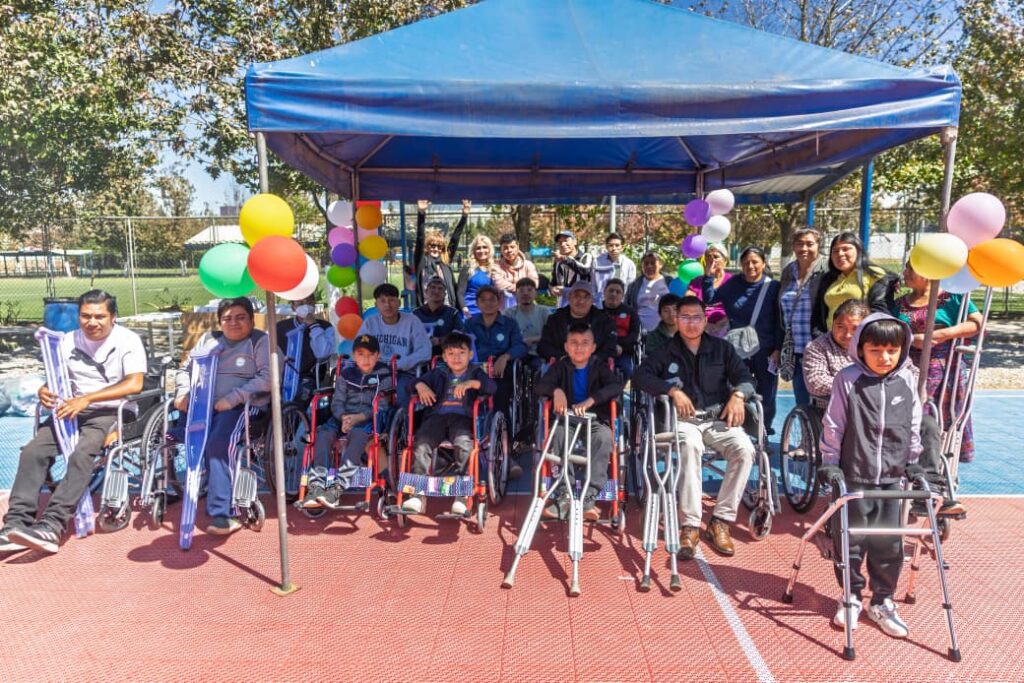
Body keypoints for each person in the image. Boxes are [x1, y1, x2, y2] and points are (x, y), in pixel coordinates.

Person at [1, 290, 147, 555]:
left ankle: (51, 525)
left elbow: (134, 384)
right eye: (86, 316)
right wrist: (45, 390)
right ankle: (16, 523)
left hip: (112, 411)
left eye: (100, 316)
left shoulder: (129, 340)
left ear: (113, 317)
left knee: (82, 453)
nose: (92, 322)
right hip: (71, 408)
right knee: (33, 451)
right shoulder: (68, 340)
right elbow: (57, 378)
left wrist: (87, 399)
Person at [819, 313, 922, 639]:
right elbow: (833, 424)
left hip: (892, 480)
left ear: (902, 350)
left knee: (889, 543)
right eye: (876, 350)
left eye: (892, 350)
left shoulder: (906, 381)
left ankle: (882, 601)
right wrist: (830, 462)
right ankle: (849, 596)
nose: (885, 357)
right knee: (850, 541)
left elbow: (914, 424)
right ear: (860, 348)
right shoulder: (847, 380)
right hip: (853, 477)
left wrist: (913, 461)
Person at [633, 296, 757, 559]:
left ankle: (720, 520)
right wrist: (671, 390)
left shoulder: (722, 349)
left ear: (705, 320)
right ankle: (689, 525)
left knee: (745, 449)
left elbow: (745, 378)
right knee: (689, 446)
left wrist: (739, 396)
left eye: (697, 317)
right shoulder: (665, 351)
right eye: (685, 317)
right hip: (683, 421)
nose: (691, 323)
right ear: (676, 320)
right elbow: (641, 376)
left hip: (717, 419)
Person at [172, 297, 271, 536]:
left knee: (218, 443)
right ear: (219, 321)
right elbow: (186, 369)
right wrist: (183, 392)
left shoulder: (260, 341)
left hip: (243, 407)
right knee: (175, 434)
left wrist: (233, 398)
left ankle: (222, 512)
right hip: (203, 405)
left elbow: (268, 378)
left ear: (251, 319)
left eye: (240, 317)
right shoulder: (209, 339)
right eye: (227, 318)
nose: (234, 323)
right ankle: (194, 482)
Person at [895, 261, 983, 463]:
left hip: (944, 368)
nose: (905, 272)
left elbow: (976, 322)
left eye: (910, 268)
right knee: (911, 415)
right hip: (909, 366)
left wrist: (942, 334)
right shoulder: (900, 303)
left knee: (938, 417)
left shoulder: (951, 298)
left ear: (926, 272)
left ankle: (939, 466)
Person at [534, 323, 623, 521]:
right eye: (574, 343)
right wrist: (556, 391)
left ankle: (589, 497)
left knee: (604, 439)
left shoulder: (599, 366)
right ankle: (564, 493)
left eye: (585, 343)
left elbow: (615, 387)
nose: (579, 347)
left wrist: (592, 400)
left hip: (595, 418)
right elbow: (540, 386)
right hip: (568, 419)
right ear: (566, 346)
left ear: (593, 347)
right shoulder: (560, 366)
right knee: (557, 436)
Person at [402, 332, 497, 516]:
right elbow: (410, 384)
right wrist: (420, 386)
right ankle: (417, 494)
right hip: (437, 417)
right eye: (451, 354)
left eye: (461, 353)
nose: (456, 358)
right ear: (444, 356)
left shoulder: (475, 372)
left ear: (470, 354)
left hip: (463, 418)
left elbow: (491, 387)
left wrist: (471, 383)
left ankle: (462, 495)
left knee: (464, 445)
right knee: (421, 443)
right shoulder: (439, 372)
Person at [300, 334, 392, 510]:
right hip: (341, 417)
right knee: (323, 434)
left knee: (358, 435)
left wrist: (358, 418)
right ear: (353, 355)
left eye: (370, 354)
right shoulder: (346, 374)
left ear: (378, 355)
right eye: (360, 354)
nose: (365, 359)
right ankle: (317, 486)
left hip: (368, 419)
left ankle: (338, 487)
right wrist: (342, 417)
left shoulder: (384, 373)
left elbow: (383, 405)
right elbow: (337, 402)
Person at [701, 246, 783, 432]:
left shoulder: (773, 287)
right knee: (735, 389)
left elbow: (779, 320)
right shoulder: (733, 284)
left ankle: (764, 431)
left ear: (763, 263)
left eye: (755, 262)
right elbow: (710, 299)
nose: (750, 266)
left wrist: (777, 348)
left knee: (767, 393)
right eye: (746, 262)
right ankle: (737, 428)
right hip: (738, 350)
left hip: (765, 350)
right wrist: (708, 276)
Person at [356, 284, 431, 408]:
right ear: (376, 305)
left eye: (391, 300)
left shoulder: (412, 321)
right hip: (375, 371)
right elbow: (360, 348)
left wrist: (401, 364)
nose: (387, 305)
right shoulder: (370, 323)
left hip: (404, 373)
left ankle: (401, 425)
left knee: (402, 395)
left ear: (399, 302)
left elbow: (425, 351)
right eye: (383, 301)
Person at [777, 228, 829, 406]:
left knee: (823, 404)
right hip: (796, 349)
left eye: (809, 244)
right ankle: (806, 435)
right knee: (803, 405)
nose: (804, 248)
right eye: (799, 244)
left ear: (818, 246)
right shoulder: (788, 271)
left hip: (821, 347)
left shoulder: (827, 268)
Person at [811, 232, 898, 336]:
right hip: (830, 341)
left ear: (858, 251)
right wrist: (819, 335)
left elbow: (880, 311)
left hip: (861, 339)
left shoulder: (875, 275)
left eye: (846, 249)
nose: (840, 254)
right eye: (835, 251)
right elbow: (818, 314)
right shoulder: (827, 279)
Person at [463, 285, 527, 418]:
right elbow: (460, 346)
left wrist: (505, 357)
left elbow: (520, 346)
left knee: (500, 395)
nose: (488, 303)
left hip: (499, 370)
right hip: (474, 368)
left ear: (499, 302)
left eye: (492, 299)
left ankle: (500, 428)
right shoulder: (469, 324)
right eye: (483, 300)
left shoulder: (510, 324)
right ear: (477, 303)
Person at [803, 299, 870, 409]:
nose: (847, 334)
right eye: (840, 327)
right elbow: (816, 383)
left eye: (855, 328)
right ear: (832, 324)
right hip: (835, 408)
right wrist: (859, 386)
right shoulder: (817, 347)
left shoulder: (874, 343)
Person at [538, 281, 617, 364]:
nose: (581, 301)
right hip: (561, 365)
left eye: (586, 297)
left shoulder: (605, 320)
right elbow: (543, 347)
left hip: (594, 366)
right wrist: (565, 358)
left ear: (592, 300)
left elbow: (610, 348)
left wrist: (588, 360)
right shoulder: (555, 319)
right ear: (569, 298)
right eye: (576, 296)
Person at [275, 294, 333, 405]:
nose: (305, 306)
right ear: (293, 307)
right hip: (284, 376)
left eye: (309, 302)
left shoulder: (326, 327)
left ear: (315, 305)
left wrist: (313, 326)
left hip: (310, 379)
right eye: (300, 303)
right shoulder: (280, 327)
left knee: (298, 397)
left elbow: (322, 353)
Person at [410, 199, 469, 307]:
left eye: (440, 247)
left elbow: (455, 238)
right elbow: (420, 237)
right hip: (426, 308)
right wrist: (421, 213)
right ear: (427, 247)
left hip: (447, 307)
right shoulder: (422, 261)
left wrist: (464, 216)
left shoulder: (445, 261)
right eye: (433, 245)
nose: (436, 249)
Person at [686, 242, 732, 337]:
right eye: (708, 256)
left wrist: (720, 324)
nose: (711, 260)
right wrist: (703, 323)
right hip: (700, 325)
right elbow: (687, 302)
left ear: (725, 260)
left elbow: (736, 309)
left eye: (716, 257)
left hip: (725, 326)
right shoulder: (697, 281)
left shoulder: (732, 281)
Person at [413, 276, 465, 357]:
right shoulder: (416, 314)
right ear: (426, 292)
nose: (436, 291)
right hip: (419, 358)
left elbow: (460, 337)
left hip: (447, 358)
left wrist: (439, 341)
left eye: (440, 288)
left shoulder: (453, 313)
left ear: (445, 294)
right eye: (433, 287)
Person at [600, 278, 641, 378]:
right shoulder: (596, 311)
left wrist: (620, 346)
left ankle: (617, 391)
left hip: (623, 352)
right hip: (600, 351)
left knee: (627, 370)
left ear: (622, 295)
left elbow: (634, 335)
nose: (614, 294)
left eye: (618, 292)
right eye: (611, 290)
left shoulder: (631, 312)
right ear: (604, 292)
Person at [504, 277, 550, 362]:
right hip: (515, 353)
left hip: (539, 353)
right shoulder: (509, 313)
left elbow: (551, 335)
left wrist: (532, 339)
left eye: (529, 290)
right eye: (521, 291)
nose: (525, 294)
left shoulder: (544, 311)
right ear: (515, 294)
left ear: (535, 293)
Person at [626, 251, 674, 333]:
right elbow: (627, 307)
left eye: (653, 263)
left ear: (660, 265)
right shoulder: (634, 286)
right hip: (640, 332)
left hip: (666, 332)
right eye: (646, 263)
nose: (649, 266)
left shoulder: (670, 282)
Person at [491, 233, 539, 310]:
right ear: (501, 250)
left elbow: (534, 284)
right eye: (505, 248)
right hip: (503, 310)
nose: (509, 250)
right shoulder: (496, 267)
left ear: (518, 247)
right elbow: (499, 284)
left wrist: (512, 288)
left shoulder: (528, 265)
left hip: (526, 308)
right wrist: (522, 288)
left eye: (512, 247)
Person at [549, 229, 594, 306]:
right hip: (563, 306)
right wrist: (552, 289)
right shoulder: (558, 262)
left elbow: (585, 270)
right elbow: (553, 282)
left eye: (566, 240)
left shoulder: (586, 257)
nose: (563, 244)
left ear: (575, 242)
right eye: (560, 242)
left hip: (582, 305)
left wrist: (565, 259)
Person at [593, 233, 637, 306]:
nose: (614, 248)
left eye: (617, 245)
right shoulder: (597, 262)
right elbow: (593, 285)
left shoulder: (629, 264)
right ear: (606, 247)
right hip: (601, 305)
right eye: (611, 245)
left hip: (621, 304)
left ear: (622, 247)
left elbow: (630, 289)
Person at [457, 234, 495, 318]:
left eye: (485, 247)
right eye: (478, 248)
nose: (482, 250)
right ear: (474, 251)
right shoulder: (468, 268)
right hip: (469, 312)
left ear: (490, 249)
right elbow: (460, 293)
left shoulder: (495, 268)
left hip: (489, 312)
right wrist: (465, 310)